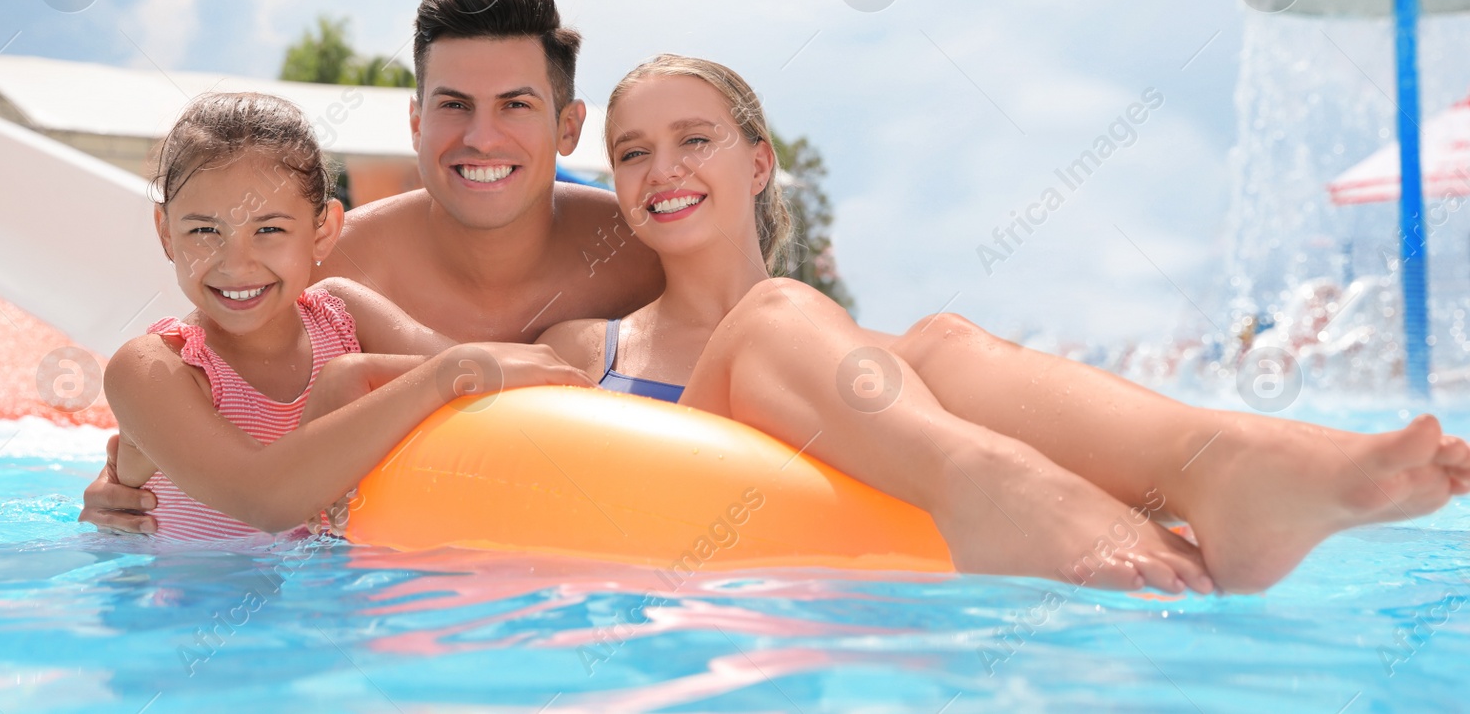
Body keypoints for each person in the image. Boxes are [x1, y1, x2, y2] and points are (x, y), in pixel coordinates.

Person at [532, 54, 1470, 593]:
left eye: (695, 139)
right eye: (632, 153)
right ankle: (1002, 493)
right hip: (688, 557)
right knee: (778, 312)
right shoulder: (592, 348)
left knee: (942, 340)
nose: (663, 170)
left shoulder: (871, 361)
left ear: (760, 162)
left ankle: (1224, 464)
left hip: (841, 602)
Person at [81, 0, 663, 532]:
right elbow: (216, 377)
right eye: (455, 105)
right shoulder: (324, 267)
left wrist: (358, 378)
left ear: (568, 126)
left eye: (514, 104)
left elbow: (504, 384)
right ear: (416, 123)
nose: (482, 138)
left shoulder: (644, 251)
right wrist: (125, 471)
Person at [101, 91, 591, 539]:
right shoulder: (152, 369)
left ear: (323, 231)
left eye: (269, 229)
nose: (236, 263)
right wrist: (438, 375)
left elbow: (497, 388)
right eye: (204, 231)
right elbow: (265, 500)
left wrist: (357, 373)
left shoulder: (342, 315)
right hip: (185, 616)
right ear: (166, 234)